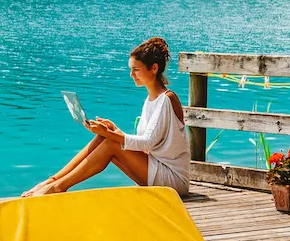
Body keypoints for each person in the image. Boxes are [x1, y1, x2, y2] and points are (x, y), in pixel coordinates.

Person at [24, 37, 190, 197]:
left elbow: (148, 142)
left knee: (111, 142)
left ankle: (57, 187)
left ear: (154, 69)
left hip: (173, 180)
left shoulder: (166, 100)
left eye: (136, 69)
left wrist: (112, 135)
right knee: (106, 136)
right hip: (156, 171)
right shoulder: (151, 99)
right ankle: (51, 181)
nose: (132, 74)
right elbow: (148, 144)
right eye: (130, 69)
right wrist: (113, 130)